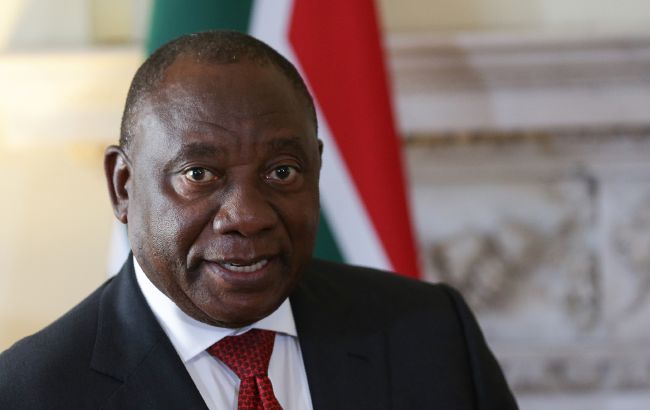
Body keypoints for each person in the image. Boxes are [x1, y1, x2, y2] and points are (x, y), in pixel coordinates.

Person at [0, 31, 517, 409]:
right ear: (123, 186)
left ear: (316, 169)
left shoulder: (431, 335)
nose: (247, 217)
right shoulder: (29, 394)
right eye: (199, 174)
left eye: (282, 171)